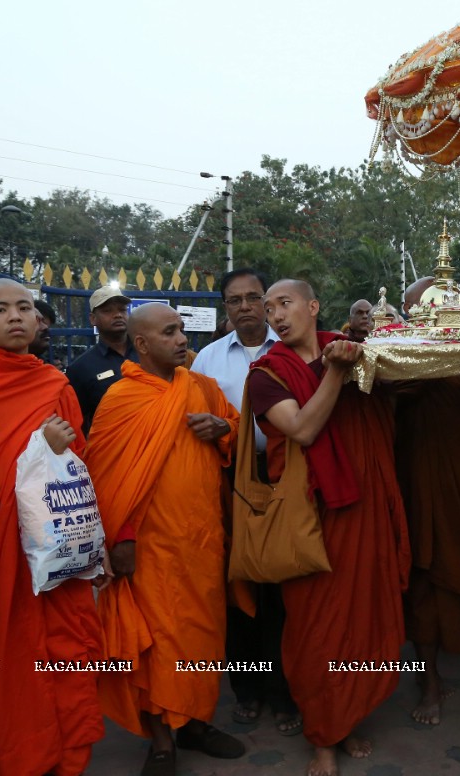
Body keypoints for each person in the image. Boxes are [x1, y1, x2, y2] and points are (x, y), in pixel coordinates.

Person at [0, 278, 110, 776]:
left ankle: (67, 757)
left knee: (62, 651)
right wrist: (39, 448)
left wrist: (54, 450)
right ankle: (22, 757)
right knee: (11, 661)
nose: (15, 316)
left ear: (39, 319)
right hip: (0, 558)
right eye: (0, 309)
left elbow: (74, 471)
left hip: (52, 556)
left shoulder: (53, 385)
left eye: (24, 307)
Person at [247, 279, 410, 776]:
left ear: (312, 306)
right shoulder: (266, 374)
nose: (275, 314)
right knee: (315, 630)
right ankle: (323, 735)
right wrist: (335, 373)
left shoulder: (350, 349)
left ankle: (348, 717)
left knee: (362, 620)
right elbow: (302, 430)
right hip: (312, 516)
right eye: (269, 307)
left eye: (285, 303)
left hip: (362, 506)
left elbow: (397, 391)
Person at [88, 304, 245, 774]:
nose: (182, 339)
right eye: (170, 332)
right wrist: (123, 538)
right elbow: (109, 479)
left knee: (201, 636)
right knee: (156, 643)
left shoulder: (201, 387)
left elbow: (235, 428)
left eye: (181, 330)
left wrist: (223, 428)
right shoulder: (121, 398)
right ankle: (161, 741)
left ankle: (195, 723)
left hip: (199, 541)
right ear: (143, 345)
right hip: (148, 548)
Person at [190, 268, 300, 735]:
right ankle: (248, 689)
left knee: (283, 588)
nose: (246, 307)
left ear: (269, 302)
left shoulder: (293, 350)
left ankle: (284, 693)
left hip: (287, 474)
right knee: (238, 589)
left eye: (254, 298)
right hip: (229, 477)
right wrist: (218, 431)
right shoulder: (207, 361)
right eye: (234, 300)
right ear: (225, 308)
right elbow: (189, 421)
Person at [395, 278, 460, 726]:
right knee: (421, 583)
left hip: (459, 490)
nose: (426, 315)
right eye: (417, 307)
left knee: (457, 573)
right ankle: (428, 680)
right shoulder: (394, 363)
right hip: (410, 490)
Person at [65, 285, 136, 434]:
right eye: (107, 310)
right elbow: (78, 422)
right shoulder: (80, 368)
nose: (117, 315)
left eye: (122, 310)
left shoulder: (148, 352)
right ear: (93, 319)